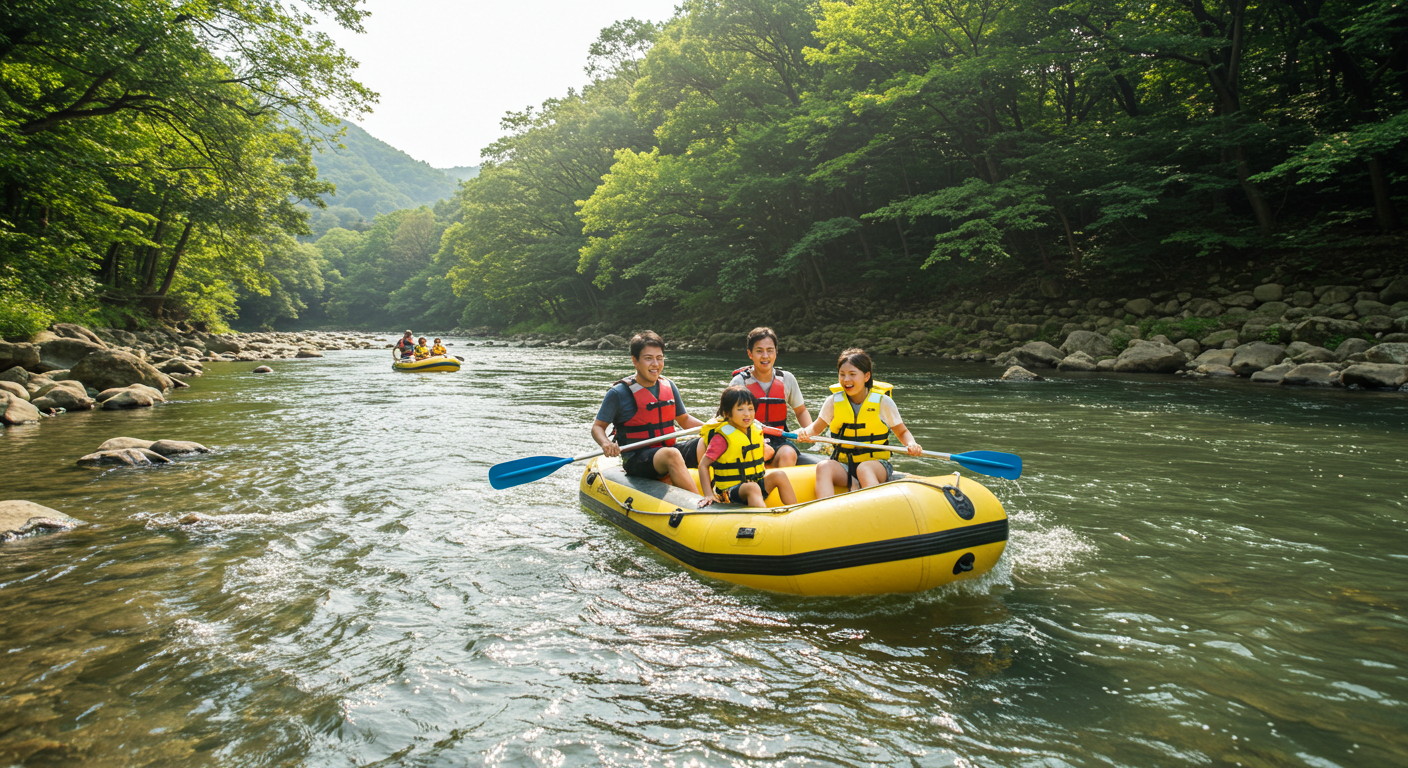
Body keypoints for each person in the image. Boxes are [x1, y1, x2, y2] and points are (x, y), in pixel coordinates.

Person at [794, 348, 923, 499]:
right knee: (824, 466)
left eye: (852, 374)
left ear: (866, 376)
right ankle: (825, 510)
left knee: (864, 468)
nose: (846, 379)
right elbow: (816, 428)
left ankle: (872, 508)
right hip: (844, 465)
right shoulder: (834, 402)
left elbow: (902, 432)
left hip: (876, 465)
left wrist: (911, 443)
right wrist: (803, 433)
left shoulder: (883, 402)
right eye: (842, 374)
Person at [591, 331, 705, 492]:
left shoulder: (669, 385)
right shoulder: (618, 393)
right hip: (637, 459)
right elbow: (597, 427)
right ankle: (700, 505)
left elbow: (684, 419)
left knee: (710, 441)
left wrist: (712, 429)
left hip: (668, 451)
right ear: (635, 361)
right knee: (670, 454)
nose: (656, 364)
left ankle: (722, 493)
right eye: (648, 358)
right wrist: (606, 443)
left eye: (659, 358)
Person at [697, 386, 797, 508]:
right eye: (740, 409)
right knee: (752, 487)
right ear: (727, 413)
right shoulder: (722, 438)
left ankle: (796, 513)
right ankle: (764, 520)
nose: (747, 414)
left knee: (779, 475)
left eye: (751, 409)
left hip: (754, 483)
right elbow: (703, 465)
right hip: (729, 493)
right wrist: (708, 494)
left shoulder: (754, 431)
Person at [729, 327, 812, 468]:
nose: (765, 356)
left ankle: (782, 484)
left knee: (788, 453)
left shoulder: (787, 379)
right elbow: (726, 417)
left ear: (776, 352)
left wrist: (809, 431)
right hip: (748, 439)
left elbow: (801, 411)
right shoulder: (739, 382)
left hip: (780, 440)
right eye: (759, 351)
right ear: (750, 354)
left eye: (770, 350)